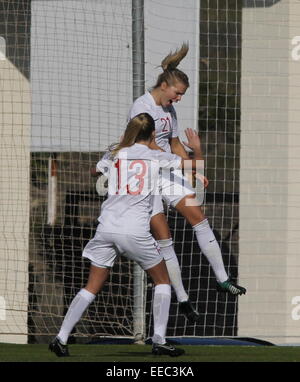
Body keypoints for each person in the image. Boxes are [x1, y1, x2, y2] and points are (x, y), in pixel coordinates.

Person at [49, 113, 198, 358]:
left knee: (91, 286)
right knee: (162, 282)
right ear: (152, 135)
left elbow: (94, 172)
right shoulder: (155, 156)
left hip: (106, 228)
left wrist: (115, 154)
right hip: (134, 231)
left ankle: (61, 337)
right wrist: (197, 150)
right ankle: (159, 340)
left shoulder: (116, 153)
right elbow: (191, 167)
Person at [128, 43, 246, 299]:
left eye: (181, 95)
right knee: (164, 240)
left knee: (199, 219)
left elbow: (172, 144)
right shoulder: (142, 107)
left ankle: (223, 280)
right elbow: (145, 148)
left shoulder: (169, 110)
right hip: (148, 178)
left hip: (168, 172)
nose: (179, 99)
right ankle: (181, 297)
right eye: (177, 93)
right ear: (164, 86)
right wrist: (186, 163)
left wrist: (194, 170)